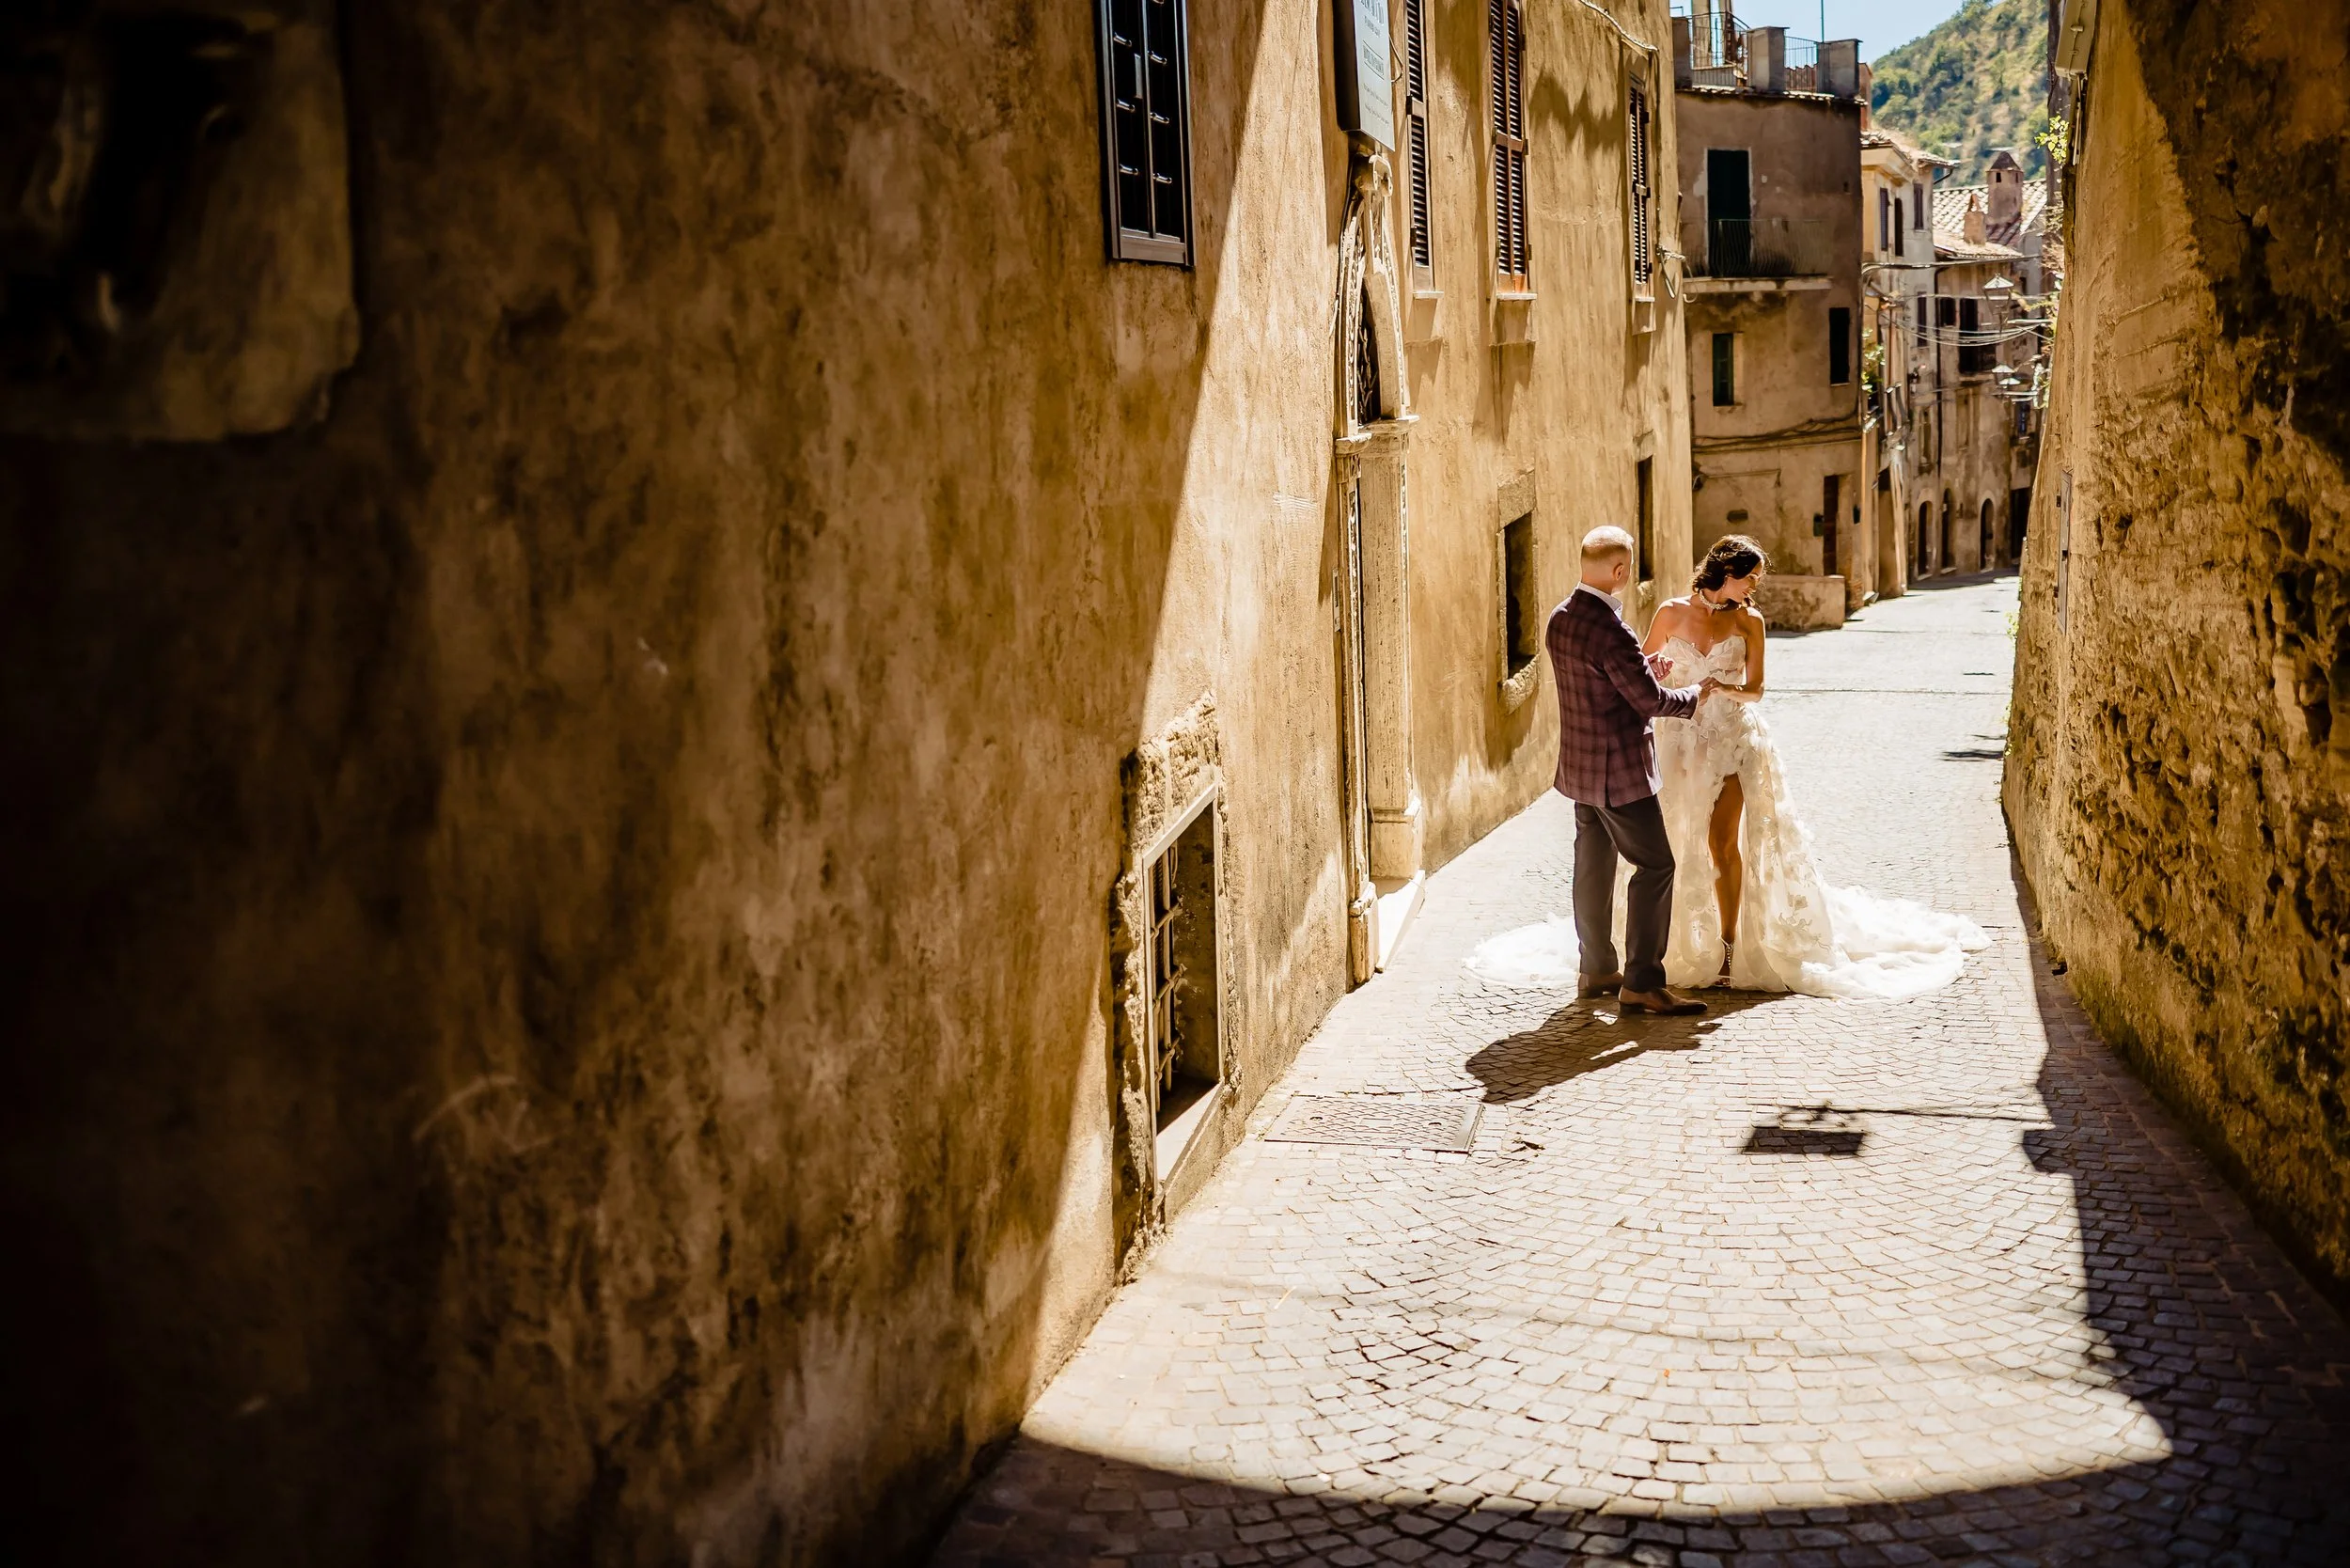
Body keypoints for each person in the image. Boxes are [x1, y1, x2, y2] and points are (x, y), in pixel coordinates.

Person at [1641, 535, 1986, 996]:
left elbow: (1757, 689)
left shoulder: (1750, 621)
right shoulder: (1669, 612)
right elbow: (1643, 669)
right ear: (1726, 572)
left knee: (1723, 846)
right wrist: (1664, 675)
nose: (1753, 588)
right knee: (1676, 845)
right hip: (1678, 744)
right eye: (1750, 578)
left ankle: (1727, 950)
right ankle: (1671, 944)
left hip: (1731, 743)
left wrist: (1722, 689)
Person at [1542, 525, 1713, 1015]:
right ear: (1619, 572)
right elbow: (1649, 701)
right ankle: (1641, 982)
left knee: (1592, 867)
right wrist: (1696, 695)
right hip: (1619, 772)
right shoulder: (1613, 629)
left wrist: (1642, 665)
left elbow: (1603, 681)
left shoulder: (1562, 618)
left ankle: (1595, 968)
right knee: (1657, 866)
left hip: (1580, 768)